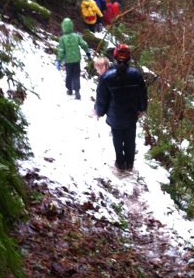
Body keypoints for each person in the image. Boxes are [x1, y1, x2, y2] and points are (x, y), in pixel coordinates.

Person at [95, 44, 148, 174]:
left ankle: (120, 164)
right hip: (131, 114)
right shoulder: (136, 74)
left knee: (117, 139)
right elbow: (143, 94)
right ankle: (129, 164)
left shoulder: (106, 77)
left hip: (115, 116)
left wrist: (99, 112)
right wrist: (142, 108)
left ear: (115, 57)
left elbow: (102, 99)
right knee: (130, 139)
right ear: (129, 58)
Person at [56, 17, 91, 99]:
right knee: (76, 75)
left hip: (68, 61)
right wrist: (87, 53)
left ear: (63, 27)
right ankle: (77, 92)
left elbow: (61, 51)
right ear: (72, 26)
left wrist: (59, 61)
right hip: (76, 60)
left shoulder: (62, 39)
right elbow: (84, 44)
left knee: (69, 75)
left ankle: (70, 89)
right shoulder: (76, 36)